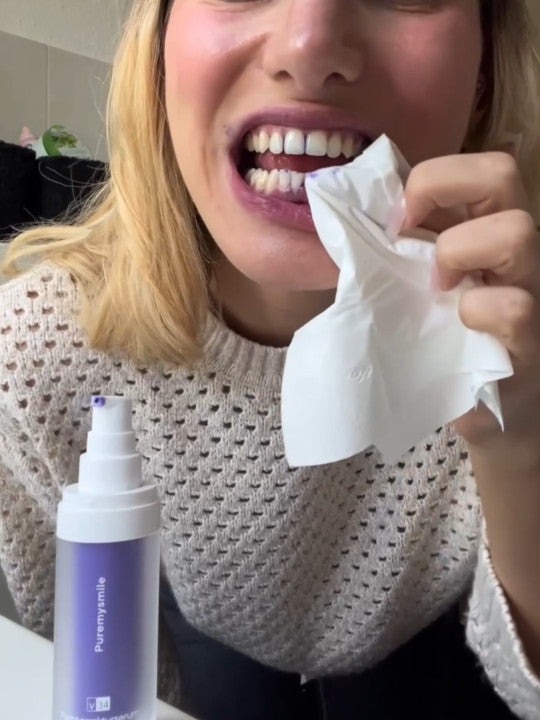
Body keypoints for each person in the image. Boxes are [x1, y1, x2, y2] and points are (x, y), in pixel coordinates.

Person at [1, 0, 540, 718]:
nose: (309, 45)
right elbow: (78, 676)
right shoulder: (35, 349)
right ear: (159, 48)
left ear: (483, 69)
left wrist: (523, 445)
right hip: (202, 633)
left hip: (434, 640)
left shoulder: (522, 337)